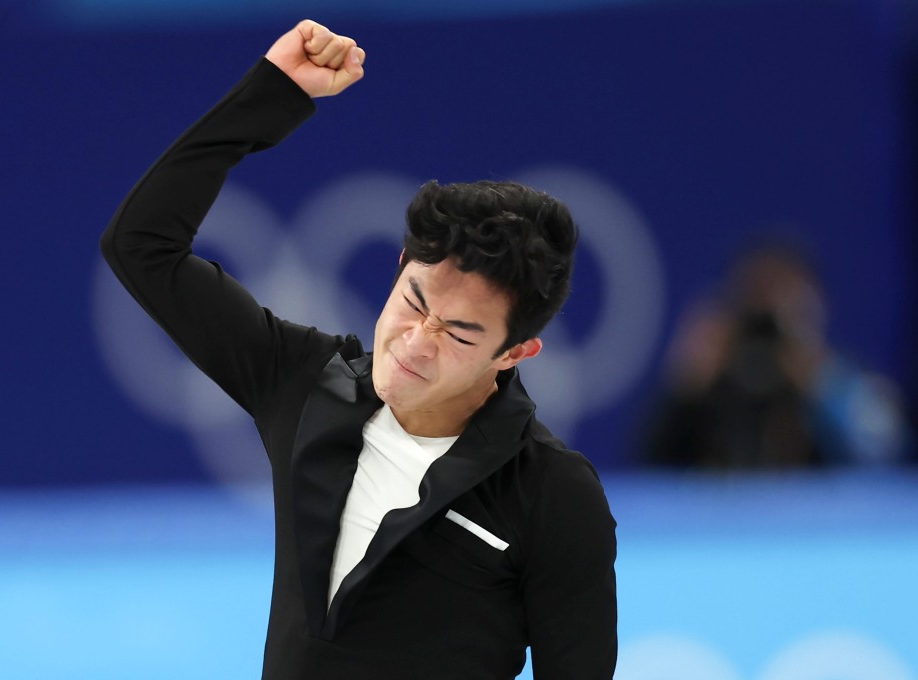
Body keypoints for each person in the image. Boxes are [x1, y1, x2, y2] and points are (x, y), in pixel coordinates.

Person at [101, 20, 617, 679]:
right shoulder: (301, 383)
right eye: (414, 302)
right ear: (399, 265)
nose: (417, 344)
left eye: (460, 334)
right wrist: (273, 93)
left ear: (515, 353)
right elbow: (141, 245)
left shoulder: (553, 495)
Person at [643, 241, 911, 468]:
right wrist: (685, 387)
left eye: (784, 293)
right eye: (756, 293)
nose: (768, 310)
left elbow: (889, 454)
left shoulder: (835, 378)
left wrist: (822, 379)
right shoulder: (709, 384)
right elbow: (649, 469)